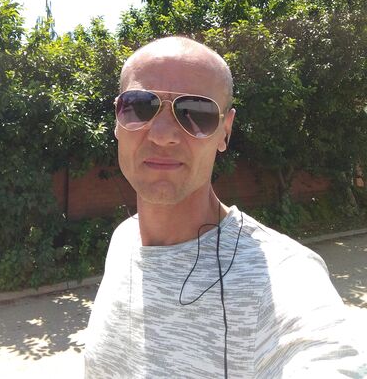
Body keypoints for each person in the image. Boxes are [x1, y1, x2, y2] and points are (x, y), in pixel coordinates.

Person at [84, 36, 366, 378]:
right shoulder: (124, 240)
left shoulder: (284, 275)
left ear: (224, 131)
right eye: (140, 106)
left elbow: (330, 357)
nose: (162, 134)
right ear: (117, 119)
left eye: (195, 113)